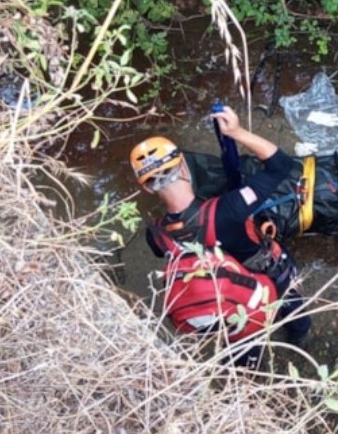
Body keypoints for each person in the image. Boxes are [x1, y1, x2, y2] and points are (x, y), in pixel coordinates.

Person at [129, 106, 312, 361]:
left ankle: (247, 366)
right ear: (183, 167)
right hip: (266, 275)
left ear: (148, 189)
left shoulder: (156, 235)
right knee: (291, 302)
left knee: (242, 338)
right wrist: (236, 132)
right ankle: (298, 337)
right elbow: (280, 166)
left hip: (229, 299)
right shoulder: (230, 209)